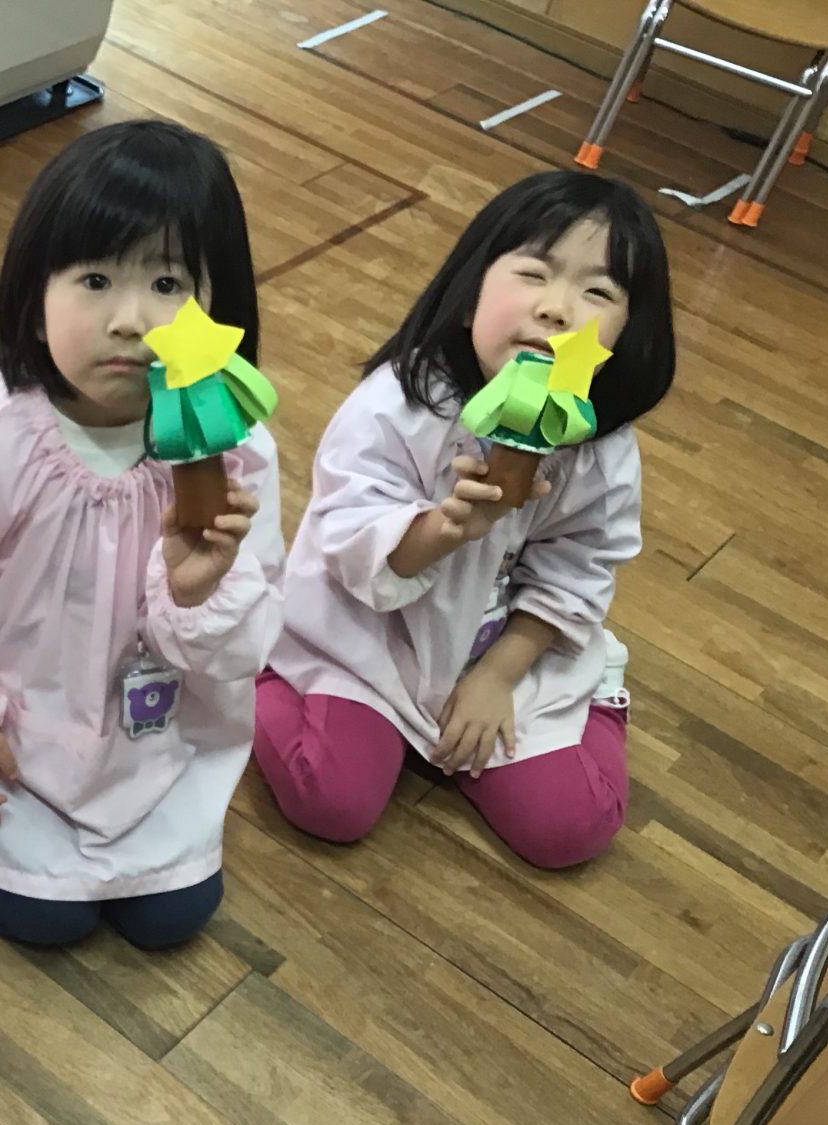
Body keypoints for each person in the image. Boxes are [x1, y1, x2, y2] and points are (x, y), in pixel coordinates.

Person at [0, 120, 284, 950]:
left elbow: (246, 638)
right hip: (19, 725)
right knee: (41, 916)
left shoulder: (237, 451)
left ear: (220, 308)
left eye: (168, 282)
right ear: (33, 302)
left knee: (173, 917)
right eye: (95, 279)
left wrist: (197, 589)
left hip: (152, 737)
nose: (131, 320)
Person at [254, 170, 675, 868]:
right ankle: (262, 671)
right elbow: (348, 533)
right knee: (330, 799)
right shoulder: (399, 403)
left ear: (626, 333)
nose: (557, 309)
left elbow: (581, 568)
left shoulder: (600, 450)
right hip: (370, 640)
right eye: (533, 274)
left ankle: (596, 700)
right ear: (472, 287)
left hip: (503, 648)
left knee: (570, 829)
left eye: (597, 293)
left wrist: (497, 678)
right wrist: (444, 528)